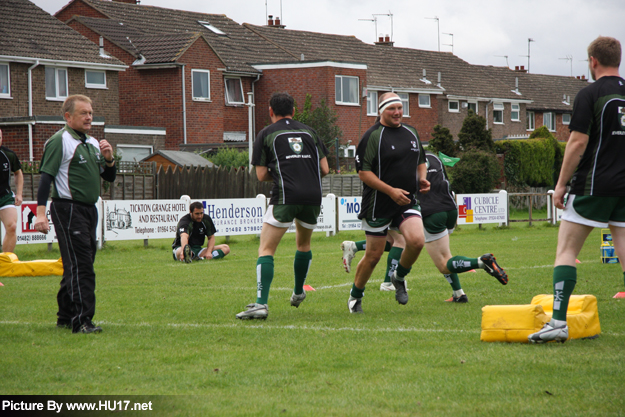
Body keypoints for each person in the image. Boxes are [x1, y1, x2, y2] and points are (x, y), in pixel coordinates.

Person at [529, 36, 625, 343]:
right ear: (619, 60)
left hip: (593, 185)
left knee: (567, 251)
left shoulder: (590, 93)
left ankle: (558, 322)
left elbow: (578, 142)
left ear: (593, 61)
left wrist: (560, 185)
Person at [236, 92, 329, 320]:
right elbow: (325, 169)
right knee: (304, 244)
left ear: (270, 111)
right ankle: (298, 292)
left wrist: (283, 175)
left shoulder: (266, 133)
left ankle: (260, 304)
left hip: (286, 195)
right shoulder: (310, 132)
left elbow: (260, 174)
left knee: (266, 249)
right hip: (313, 196)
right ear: (294, 111)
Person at [34, 95, 116, 334]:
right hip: (68, 209)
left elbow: (108, 178)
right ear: (68, 116)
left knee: (79, 263)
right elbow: (45, 178)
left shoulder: (91, 142)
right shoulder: (60, 141)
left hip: (89, 210)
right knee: (82, 267)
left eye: (90, 112)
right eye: (83, 113)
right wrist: (40, 214)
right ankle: (82, 321)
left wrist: (109, 159)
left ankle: (66, 315)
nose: (89, 117)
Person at [348, 92, 430, 314]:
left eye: (400, 108)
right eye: (392, 108)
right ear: (381, 111)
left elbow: (421, 161)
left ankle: (399, 276)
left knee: (416, 241)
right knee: (373, 256)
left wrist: (422, 178)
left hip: (407, 201)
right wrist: (391, 191)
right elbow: (364, 173)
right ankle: (355, 296)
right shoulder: (372, 136)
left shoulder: (411, 132)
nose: (397, 112)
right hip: (378, 203)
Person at [418, 152, 508, 302]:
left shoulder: (407, 160)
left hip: (432, 212)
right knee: (446, 255)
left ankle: (481, 262)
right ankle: (458, 294)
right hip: (451, 209)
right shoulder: (434, 157)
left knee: (443, 263)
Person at [0, 129, 24, 253]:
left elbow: (18, 173)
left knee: (12, 226)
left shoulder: (8, 154)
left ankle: (6, 262)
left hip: (4, 197)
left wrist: (19, 193)